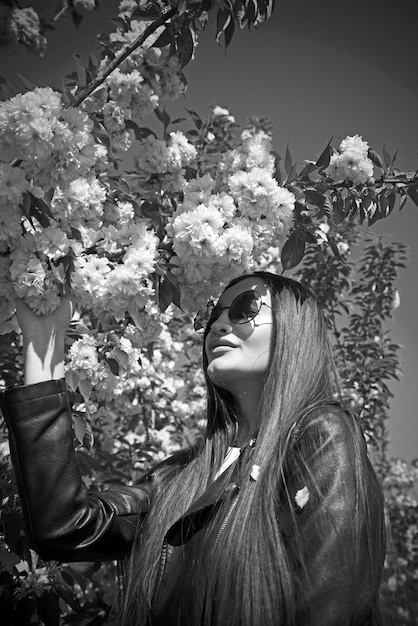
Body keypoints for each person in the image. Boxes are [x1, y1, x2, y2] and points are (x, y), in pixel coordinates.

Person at [0, 271, 386, 626]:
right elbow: (63, 526)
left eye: (244, 308)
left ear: (294, 327)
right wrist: (41, 342)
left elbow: (332, 607)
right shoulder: (181, 476)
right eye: (212, 316)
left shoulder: (320, 436)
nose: (218, 324)